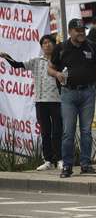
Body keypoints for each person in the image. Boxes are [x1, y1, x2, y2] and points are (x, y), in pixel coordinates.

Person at [48, 19, 96, 178]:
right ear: (70, 31)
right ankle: (67, 166)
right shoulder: (61, 48)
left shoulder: (91, 45)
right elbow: (50, 68)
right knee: (68, 132)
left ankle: (86, 165)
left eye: (82, 30)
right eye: (77, 30)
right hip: (68, 94)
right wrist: (57, 74)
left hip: (88, 94)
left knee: (86, 131)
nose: (81, 33)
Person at [0, 35, 62, 171]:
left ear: (54, 45)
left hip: (56, 101)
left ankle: (60, 159)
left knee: (57, 131)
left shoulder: (60, 60)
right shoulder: (36, 61)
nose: (47, 45)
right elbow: (18, 65)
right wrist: (6, 56)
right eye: (44, 43)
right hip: (40, 102)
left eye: (50, 42)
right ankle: (48, 161)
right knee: (45, 132)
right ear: (41, 46)